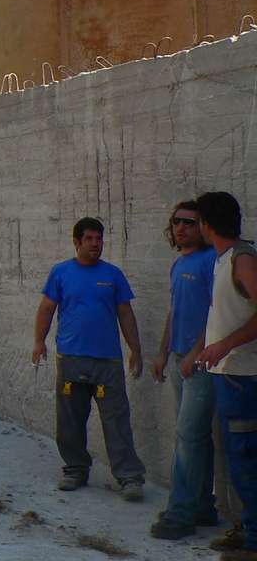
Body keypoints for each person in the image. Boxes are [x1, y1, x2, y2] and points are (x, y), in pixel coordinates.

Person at [32, 216, 146, 500]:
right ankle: (75, 469)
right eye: (90, 239)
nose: (96, 244)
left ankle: (129, 477)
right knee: (70, 420)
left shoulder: (113, 275)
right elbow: (46, 308)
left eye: (99, 239)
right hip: (71, 359)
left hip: (107, 361)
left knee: (116, 420)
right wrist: (39, 342)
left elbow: (125, 313)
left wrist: (135, 349)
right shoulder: (61, 273)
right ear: (77, 242)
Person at [149, 199, 222, 539]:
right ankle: (203, 506)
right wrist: (163, 353)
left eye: (190, 222)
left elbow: (217, 312)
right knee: (197, 438)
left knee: (187, 437)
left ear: (202, 227)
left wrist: (195, 353)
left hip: (202, 363)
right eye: (177, 221)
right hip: (180, 360)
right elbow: (174, 311)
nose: (181, 227)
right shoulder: (179, 264)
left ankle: (179, 515)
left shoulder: (211, 262)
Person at [195, 191, 257, 561]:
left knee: (246, 462)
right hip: (229, 377)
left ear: (207, 224)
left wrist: (224, 345)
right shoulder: (224, 259)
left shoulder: (242, 259)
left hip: (242, 378)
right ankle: (248, 529)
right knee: (237, 461)